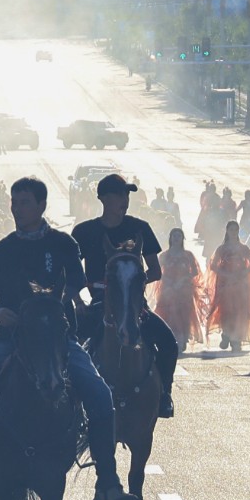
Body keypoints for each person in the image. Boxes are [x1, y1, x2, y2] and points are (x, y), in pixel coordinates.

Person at [0, 177, 125, 500]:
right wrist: (0, 312)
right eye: (14, 202)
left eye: (24, 202)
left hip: (58, 339)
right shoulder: (2, 250)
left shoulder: (63, 245)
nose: (16, 208)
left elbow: (78, 286)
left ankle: (108, 480)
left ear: (42, 206)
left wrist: (80, 302)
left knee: (101, 396)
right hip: (11, 340)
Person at [68, 173, 179, 419]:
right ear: (104, 198)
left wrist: (131, 286)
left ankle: (164, 395)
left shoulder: (140, 228)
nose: (125, 200)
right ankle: (68, 400)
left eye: (127, 195)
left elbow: (155, 271)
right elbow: (71, 274)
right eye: (120, 194)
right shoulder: (84, 232)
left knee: (170, 344)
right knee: (65, 346)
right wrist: (78, 302)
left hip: (136, 307)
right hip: (98, 306)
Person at [153, 227, 203, 351]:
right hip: (168, 289)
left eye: (179, 236)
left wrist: (183, 280)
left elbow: (195, 272)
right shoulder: (164, 255)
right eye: (174, 236)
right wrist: (168, 281)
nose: (176, 238)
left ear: (182, 239)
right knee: (166, 312)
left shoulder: (188, 255)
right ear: (170, 238)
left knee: (184, 314)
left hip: (184, 290)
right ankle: (168, 337)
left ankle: (183, 338)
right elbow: (158, 271)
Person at [209, 220, 250, 352]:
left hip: (241, 284)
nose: (233, 232)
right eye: (231, 230)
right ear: (227, 231)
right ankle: (227, 334)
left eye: (236, 230)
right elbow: (213, 265)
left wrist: (243, 272)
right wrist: (225, 274)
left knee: (240, 311)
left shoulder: (244, 248)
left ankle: (237, 339)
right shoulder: (221, 249)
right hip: (225, 284)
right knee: (226, 310)